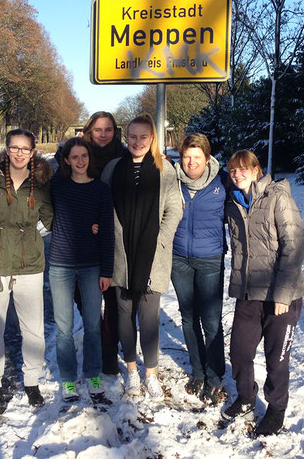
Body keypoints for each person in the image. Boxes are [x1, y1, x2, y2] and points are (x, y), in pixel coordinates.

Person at [221, 149, 304, 436]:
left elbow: (293, 248)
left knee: (276, 360)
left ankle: (276, 408)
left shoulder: (278, 198)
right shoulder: (233, 203)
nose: (237, 174)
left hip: (282, 297)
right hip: (249, 293)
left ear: (257, 170)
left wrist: (282, 294)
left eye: (244, 168)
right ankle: (246, 396)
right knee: (240, 352)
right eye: (233, 169)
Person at [101, 113, 183, 400]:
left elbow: (174, 209)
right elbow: (104, 207)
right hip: (121, 255)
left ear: (152, 139)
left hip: (153, 254)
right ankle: (132, 371)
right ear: (127, 138)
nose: (137, 142)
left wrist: (160, 242)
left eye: (143, 137)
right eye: (132, 137)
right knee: (123, 315)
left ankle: (151, 373)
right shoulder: (112, 169)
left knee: (149, 318)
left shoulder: (165, 170)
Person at [0, 129, 53, 415]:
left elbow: (55, 219)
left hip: (29, 263)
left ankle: (32, 381)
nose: (19, 153)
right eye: (14, 148)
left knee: (33, 329)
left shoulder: (43, 184)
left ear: (33, 152)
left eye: (25, 149)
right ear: (6, 149)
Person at [56, 111, 125, 376]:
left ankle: (108, 355)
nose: (104, 134)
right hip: (82, 248)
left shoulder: (124, 155)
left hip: (116, 238)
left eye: (108, 129)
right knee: (87, 305)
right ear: (88, 132)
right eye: (98, 129)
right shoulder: (77, 155)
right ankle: (97, 347)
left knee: (114, 304)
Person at [49, 137, 115, 404]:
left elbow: (107, 232)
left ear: (90, 158)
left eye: (83, 156)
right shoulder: (57, 186)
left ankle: (93, 374)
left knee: (92, 326)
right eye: (73, 157)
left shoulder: (100, 190)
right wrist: (59, 152)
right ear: (66, 160)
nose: (79, 161)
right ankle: (67, 379)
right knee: (64, 328)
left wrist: (107, 271)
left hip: (91, 265)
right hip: (60, 265)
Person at [171, 133, 227, 405]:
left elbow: (249, 195)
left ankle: (215, 377)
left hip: (210, 259)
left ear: (207, 158)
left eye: (197, 157)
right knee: (188, 317)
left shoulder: (222, 181)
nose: (191, 163)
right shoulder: (171, 180)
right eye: (187, 157)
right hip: (178, 257)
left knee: (212, 321)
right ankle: (198, 372)